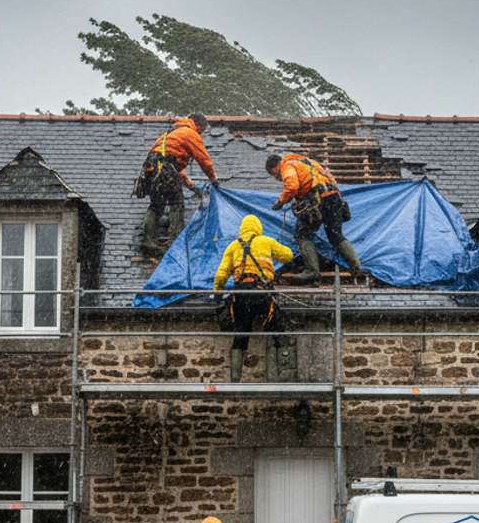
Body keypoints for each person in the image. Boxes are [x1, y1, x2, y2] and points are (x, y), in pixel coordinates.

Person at [213, 215, 293, 382]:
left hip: (241, 297)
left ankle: (235, 378)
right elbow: (288, 256)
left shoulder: (233, 247)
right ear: (258, 228)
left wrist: (217, 294)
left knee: (242, 332)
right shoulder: (266, 241)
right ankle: (284, 372)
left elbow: (220, 276)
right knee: (277, 326)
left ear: (242, 229)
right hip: (261, 294)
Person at [266, 153, 364, 284]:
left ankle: (312, 271)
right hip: (334, 197)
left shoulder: (287, 165)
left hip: (317, 199)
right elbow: (329, 180)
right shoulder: (307, 162)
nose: (278, 178)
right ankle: (356, 268)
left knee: (302, 234)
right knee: (335, 235)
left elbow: (292, 187)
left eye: (275, 174)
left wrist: (280, 201)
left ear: (275, 166)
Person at [136, 113, 220, 256]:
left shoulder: (171, 134)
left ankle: (147, 240)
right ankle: (176, 241)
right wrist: (213, 179)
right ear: (198, 125)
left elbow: (176, 172)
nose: (201, 134)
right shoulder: (190, 133)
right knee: (177, 204)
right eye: (202, 131)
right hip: (163, 168)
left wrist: (193, 188)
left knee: (157, 205)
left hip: (152, 169)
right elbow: (203, 159)